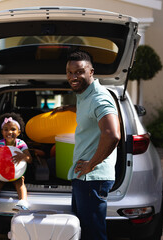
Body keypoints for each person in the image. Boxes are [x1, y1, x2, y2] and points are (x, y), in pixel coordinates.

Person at [52, 50, 120, 240]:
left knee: (93, 234)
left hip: (93, 178)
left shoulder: (99, 97)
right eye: (70, 72)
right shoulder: (85, 95)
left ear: (91, 72)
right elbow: (90, 113)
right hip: (84, 177)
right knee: (84, 230)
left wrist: (92, 164)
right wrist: (68, 108)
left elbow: (113, 134)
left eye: (79, 72)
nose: (73, 77)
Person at [0, 112, 32, 218]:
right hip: (1, 173)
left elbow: (30, 159)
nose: (9, 132)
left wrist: (23, 156)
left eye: (13, 129)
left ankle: (23, 203)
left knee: (20, 182)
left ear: (19, 132)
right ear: (2, 132)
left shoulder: (21, 144)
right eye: (6, 129)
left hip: (16, 173)